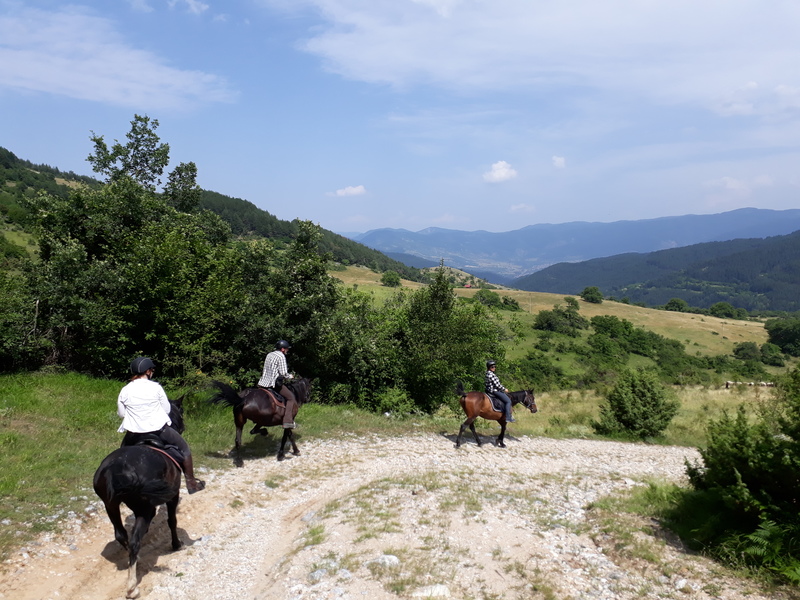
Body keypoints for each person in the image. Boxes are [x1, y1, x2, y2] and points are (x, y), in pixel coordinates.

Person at [118, 357, 205, 494]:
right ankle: (191, 484)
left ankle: (121, 481)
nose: (152, 372)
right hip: (159, 430)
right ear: (147, 371)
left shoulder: (125, 390)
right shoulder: (156, 387)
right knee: (184, 449)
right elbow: (166, 409)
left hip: (133, 434)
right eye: (151, 370)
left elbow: (122, 414)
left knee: (121, 454)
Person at [258, 340, 297, 429]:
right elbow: (283, 373)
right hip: (273, 384)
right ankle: (287, 421)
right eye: (287, 349)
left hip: (262, 383)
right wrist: (290, 376)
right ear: (283, 349)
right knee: (291, 398)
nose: (287, 350)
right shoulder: (281, 356)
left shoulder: (269, 354)